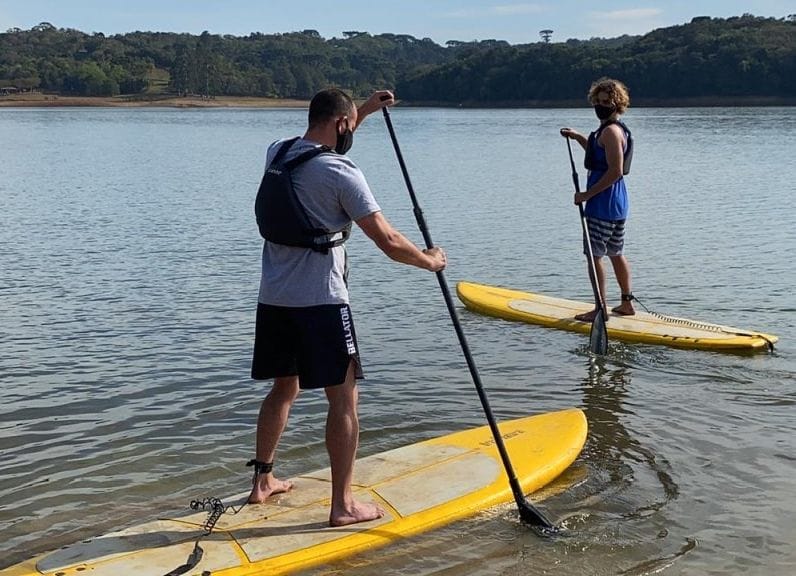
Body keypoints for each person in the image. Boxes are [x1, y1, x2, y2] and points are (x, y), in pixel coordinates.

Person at [248, 87, 447, 527]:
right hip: (321, 302)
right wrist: (429, 260)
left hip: (274, 299)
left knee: (284, 389)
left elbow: (328, 135)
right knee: (344, 401)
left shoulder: (278, 153)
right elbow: (389, 240)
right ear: (342, 124)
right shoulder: (342, 173)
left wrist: (368, 110)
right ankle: (343, 506)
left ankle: (262, 483)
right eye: (350, 124)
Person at [560, 77, 635, 320]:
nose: (601, 105)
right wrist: (578, 137)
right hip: (617, 205)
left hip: (603, 204)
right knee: (616, 252)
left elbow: (614, 170)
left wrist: (585, 195)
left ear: (618, 103)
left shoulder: (611, 132)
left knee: (595, 256)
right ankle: (626, 304)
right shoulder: (612, 130)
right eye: (599, 101)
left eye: (607, 102)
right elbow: (597, 155)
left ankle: (600, 309)